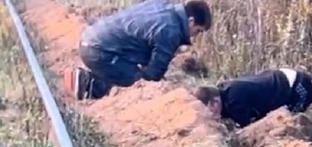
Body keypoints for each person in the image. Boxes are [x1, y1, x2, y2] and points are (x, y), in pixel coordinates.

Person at [67, 0, 212, 101]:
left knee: (131, 72)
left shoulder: (160, 6)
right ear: (191, 21)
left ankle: (94, 78)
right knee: (137, 84)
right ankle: (88, 83)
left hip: (92, 38)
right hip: (98, 50)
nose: (194, 36)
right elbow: (154, 73)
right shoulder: (170, 31)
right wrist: (159, 87)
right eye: (197, 31)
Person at [193, 68, 312, 147]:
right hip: (284, 80)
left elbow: (247, 132)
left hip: (299, 86)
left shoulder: (234, 101)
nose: (210, 116)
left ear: (215, 103)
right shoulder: (225, 92)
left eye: (209, 111)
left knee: (289, 123)